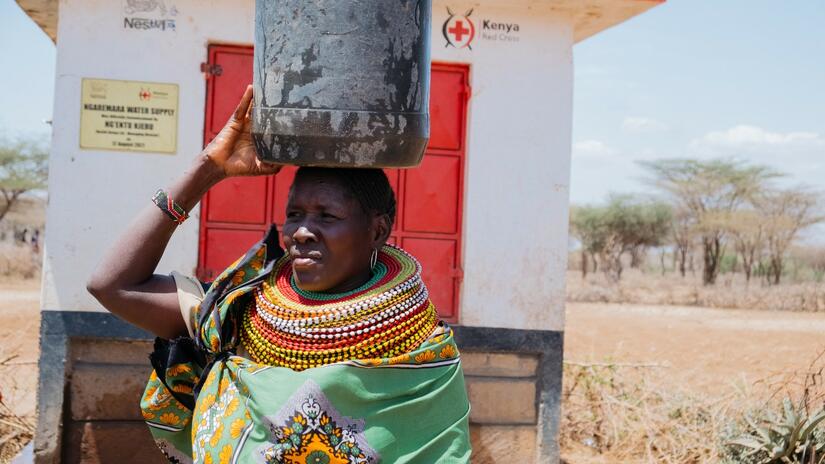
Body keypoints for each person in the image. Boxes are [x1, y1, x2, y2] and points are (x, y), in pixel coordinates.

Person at [87, 86, 472, 463]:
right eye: (294, 215)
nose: (302, 231)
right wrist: (208, 168)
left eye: (327, 216)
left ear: (377, 230)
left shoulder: (420, 353)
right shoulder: (240, 312)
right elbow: (112, 285)